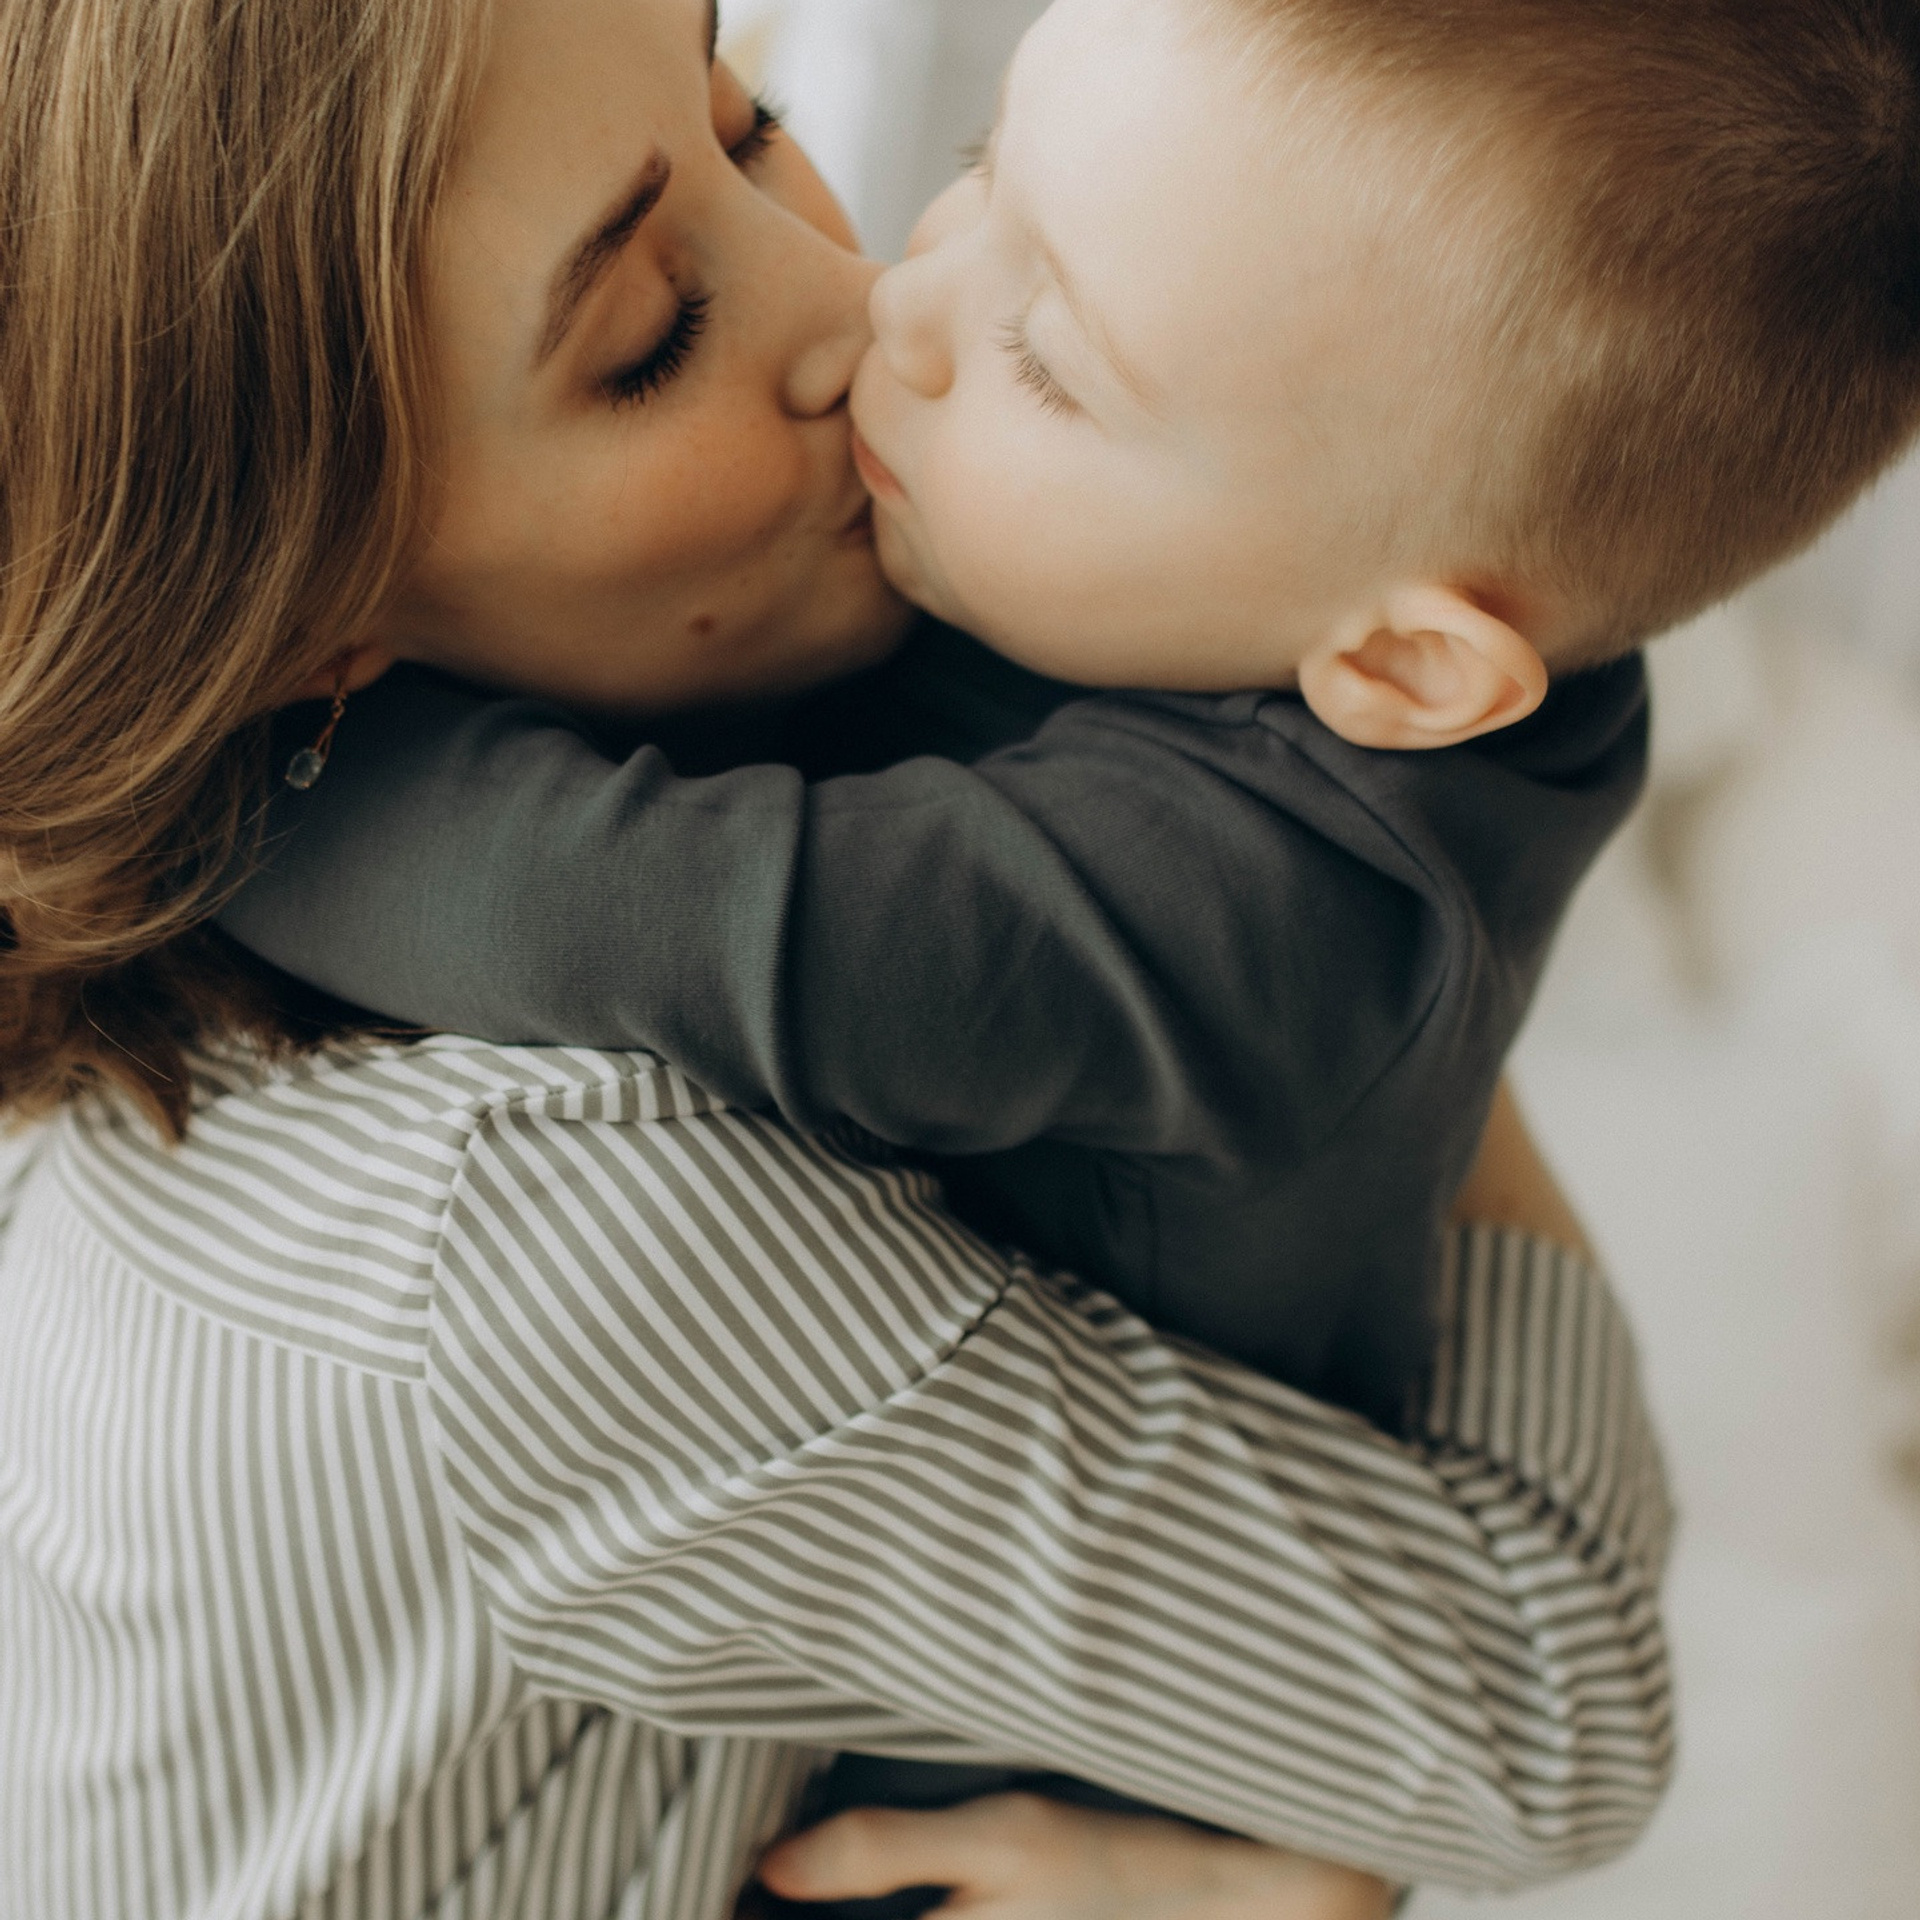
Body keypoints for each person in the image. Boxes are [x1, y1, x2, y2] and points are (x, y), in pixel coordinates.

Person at [0, 1, 1673, 1916]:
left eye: (751, 117)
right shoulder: (559, 1231)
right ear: (296, 632)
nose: (856, 298)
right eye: (651, 333)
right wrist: (1416, 918)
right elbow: (1553, 1719)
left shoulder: (145, 982)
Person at [225, 0, 1920, 1447]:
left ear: (1400, 672)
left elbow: (654, 912)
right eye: (981, 166)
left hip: (1074, 1734)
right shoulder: (1373, 539)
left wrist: (227, 778)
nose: (896, 296)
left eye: (1047, 353)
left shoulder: (1265, 904)